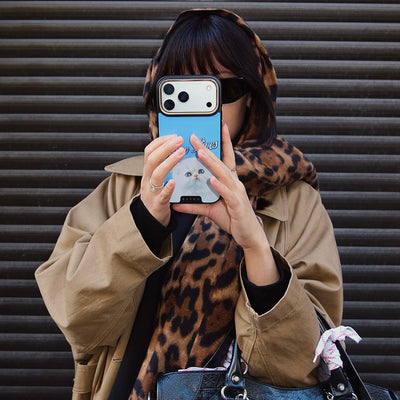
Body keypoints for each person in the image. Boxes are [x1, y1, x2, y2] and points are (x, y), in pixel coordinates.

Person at [35, 8, 343, 400]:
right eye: (183, 90)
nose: (204, 110)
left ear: (251, 97)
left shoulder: (295, 202)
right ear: (159, 98)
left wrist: (255, 248)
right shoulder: (121, 191)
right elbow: (76, 319)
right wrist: (143, 221)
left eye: (224, 90)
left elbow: (305, 364)